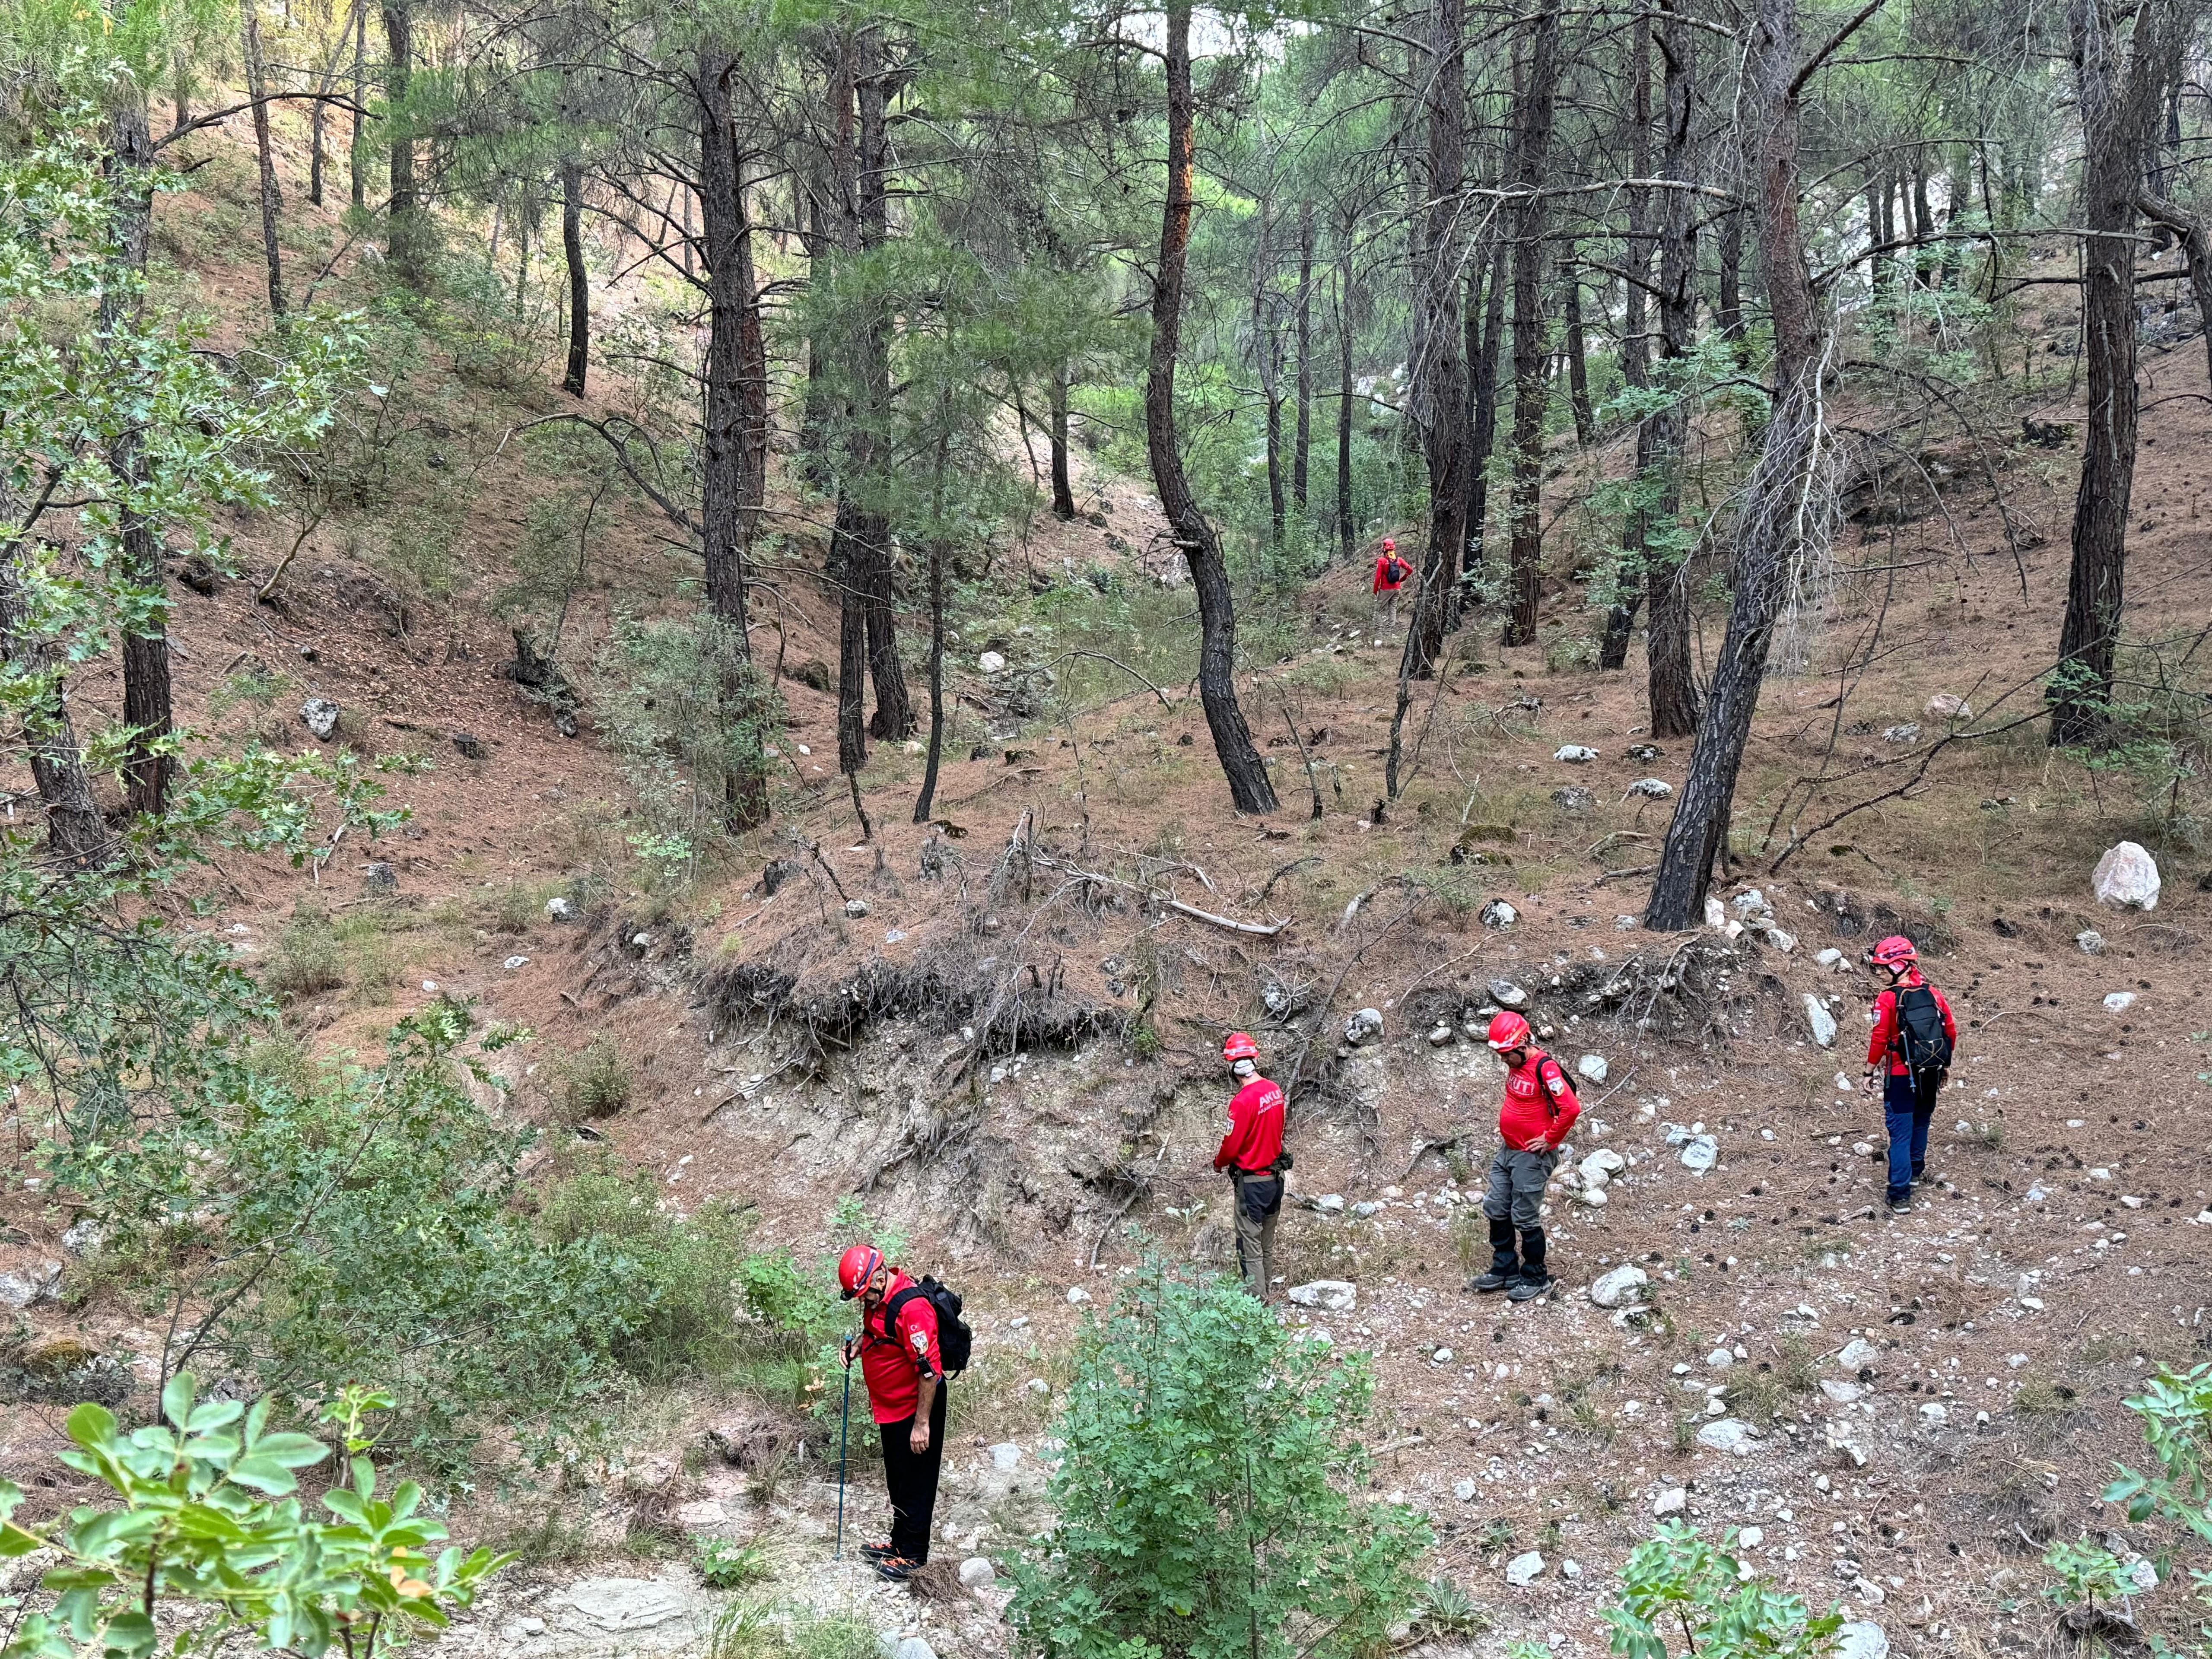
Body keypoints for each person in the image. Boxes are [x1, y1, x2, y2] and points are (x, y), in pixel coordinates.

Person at [838, 1243, 947, 1581]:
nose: (862, 1301)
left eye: (864, 1294)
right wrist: (860, 1343)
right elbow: (880, 1330)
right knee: (899, 1479)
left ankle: (913, 1555)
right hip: (891, 1407)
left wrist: (922, 1424)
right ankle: (899, 1545)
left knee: (917, 1481)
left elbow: (930, 1371)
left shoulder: (913, 1309)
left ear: (879, 1277)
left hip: (915, 1409)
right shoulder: (880, 1300)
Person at [1468, 1010, 1580, 1302]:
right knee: (1496, 1206)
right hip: (1508, 1150)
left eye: (1507, 1054)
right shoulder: (1517, 1064)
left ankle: (1535, 1276)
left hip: (1531, 1157)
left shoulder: (1546, 1068)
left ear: (1522, 1044)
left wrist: (1550, 1139)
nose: (1504, 1060)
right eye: (1501, 1055)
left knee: (1525, 1215)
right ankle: (1505, 1269)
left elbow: (1571, 1108)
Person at [1860, 935, 1957, 1214]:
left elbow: (1879, 1038)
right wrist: (1944, 1065)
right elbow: (1950, 1031)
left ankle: (1900, 1195)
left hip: (1901, 1076)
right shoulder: (1934, 994)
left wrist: (1869, 1071)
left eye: (1881, 967)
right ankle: (1915, 1174)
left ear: (1899, 965)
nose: (1878, 972)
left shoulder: (1888, 998)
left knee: (1900, 1134)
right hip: (1930, 1072)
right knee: (1921, 1123)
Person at [1212, 1031, 1287, 1299]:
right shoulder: (1274, 1091)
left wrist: (1219, 1164)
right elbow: (1278, 1130)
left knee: (1249, 1247)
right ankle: (1266, 1293)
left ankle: (1256, 1307)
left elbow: (1232, 1145)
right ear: (1254, 1059)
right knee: (1266, 1243)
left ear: (1232, 1066)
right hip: (1276, 1180)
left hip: (1252, 1184)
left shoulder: (1242, 1102)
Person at [1371, 537, 1411, 626]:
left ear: (1385, 548)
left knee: (1378, 610)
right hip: (1397, 589)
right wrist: (1403, 579)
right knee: (1393, 608)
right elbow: (1410, 569)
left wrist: (1375, 590)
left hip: (1386, 589)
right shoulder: (1399, 560)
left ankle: (1378, 628)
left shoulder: (1382, 561)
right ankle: (1391, 627)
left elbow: (1378, 577)